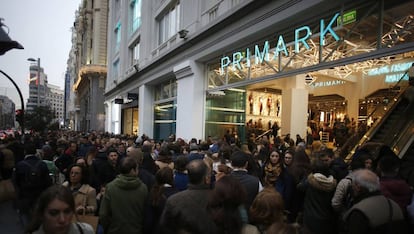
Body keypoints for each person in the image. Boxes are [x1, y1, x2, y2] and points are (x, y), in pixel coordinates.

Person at [159, 159, 217, 234]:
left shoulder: (174, 200)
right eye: (209, 175)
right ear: (207, 178)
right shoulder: (218, 199)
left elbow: (165, 226)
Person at [344, 169, 408, 234]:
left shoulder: (359, 212)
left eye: (352, 185)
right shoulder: (394, 205)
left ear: (358, 187)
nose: (351, 187)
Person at [99, 157, 148, 234]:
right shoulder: (143, 188)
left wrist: (108, 228)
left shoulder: (110, 187)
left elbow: (103, 214)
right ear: (133, 170)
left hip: (114, 230)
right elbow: (145, 213)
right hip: (136, 230)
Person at [25, 184, 94, 234]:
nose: (62, 220)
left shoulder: (85, 231)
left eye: (67, 212)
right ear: (41, 214)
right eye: (54, 213)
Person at [14, 143, 52, 226]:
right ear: (35, 152)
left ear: (25, 152)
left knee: (26, 218)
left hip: (25, 196)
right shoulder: (42, 164)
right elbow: (48, 182)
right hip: (39, 195)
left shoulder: (20, 165)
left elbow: (16, 182)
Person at [145, 167, 179, 234]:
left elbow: (149, 219)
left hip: (156, 229)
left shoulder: (153, 193)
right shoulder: (176, 195)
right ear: (172, 178)